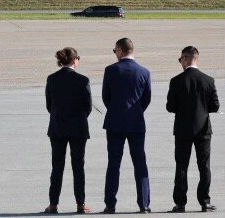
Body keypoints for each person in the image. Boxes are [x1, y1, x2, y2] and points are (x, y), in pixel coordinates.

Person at [166, 46, 220, 213]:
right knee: (204, 166)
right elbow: (215, 106)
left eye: (180, 60)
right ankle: (205, 201)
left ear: (185, 58)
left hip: (183, 129)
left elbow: (170, 107)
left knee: (182, 166)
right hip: (203, 129)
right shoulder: (208, 80)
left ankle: (180, 203)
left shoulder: (176, 81)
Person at [102, 37, 151, 214]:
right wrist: (136, 111)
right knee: (140, 163)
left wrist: (116, 110)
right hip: (136, 123)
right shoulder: (144, 72)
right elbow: (146, 99)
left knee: (114, 163)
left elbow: (106, 97)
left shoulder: (111, 70)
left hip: (115, 122)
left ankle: (110, 204)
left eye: (115, 51)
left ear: (120, 50)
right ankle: (144, 204)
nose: (115, 54)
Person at [44, 47, 92, 214]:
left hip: (58, 127)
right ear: (74, 60)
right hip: (78, 128)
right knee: (78, 167)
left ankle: (53, 204)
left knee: (57, 167)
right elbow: (88, 106)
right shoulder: (83, 80)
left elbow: (49, 105)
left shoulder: (52, 79)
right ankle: (80, 203)